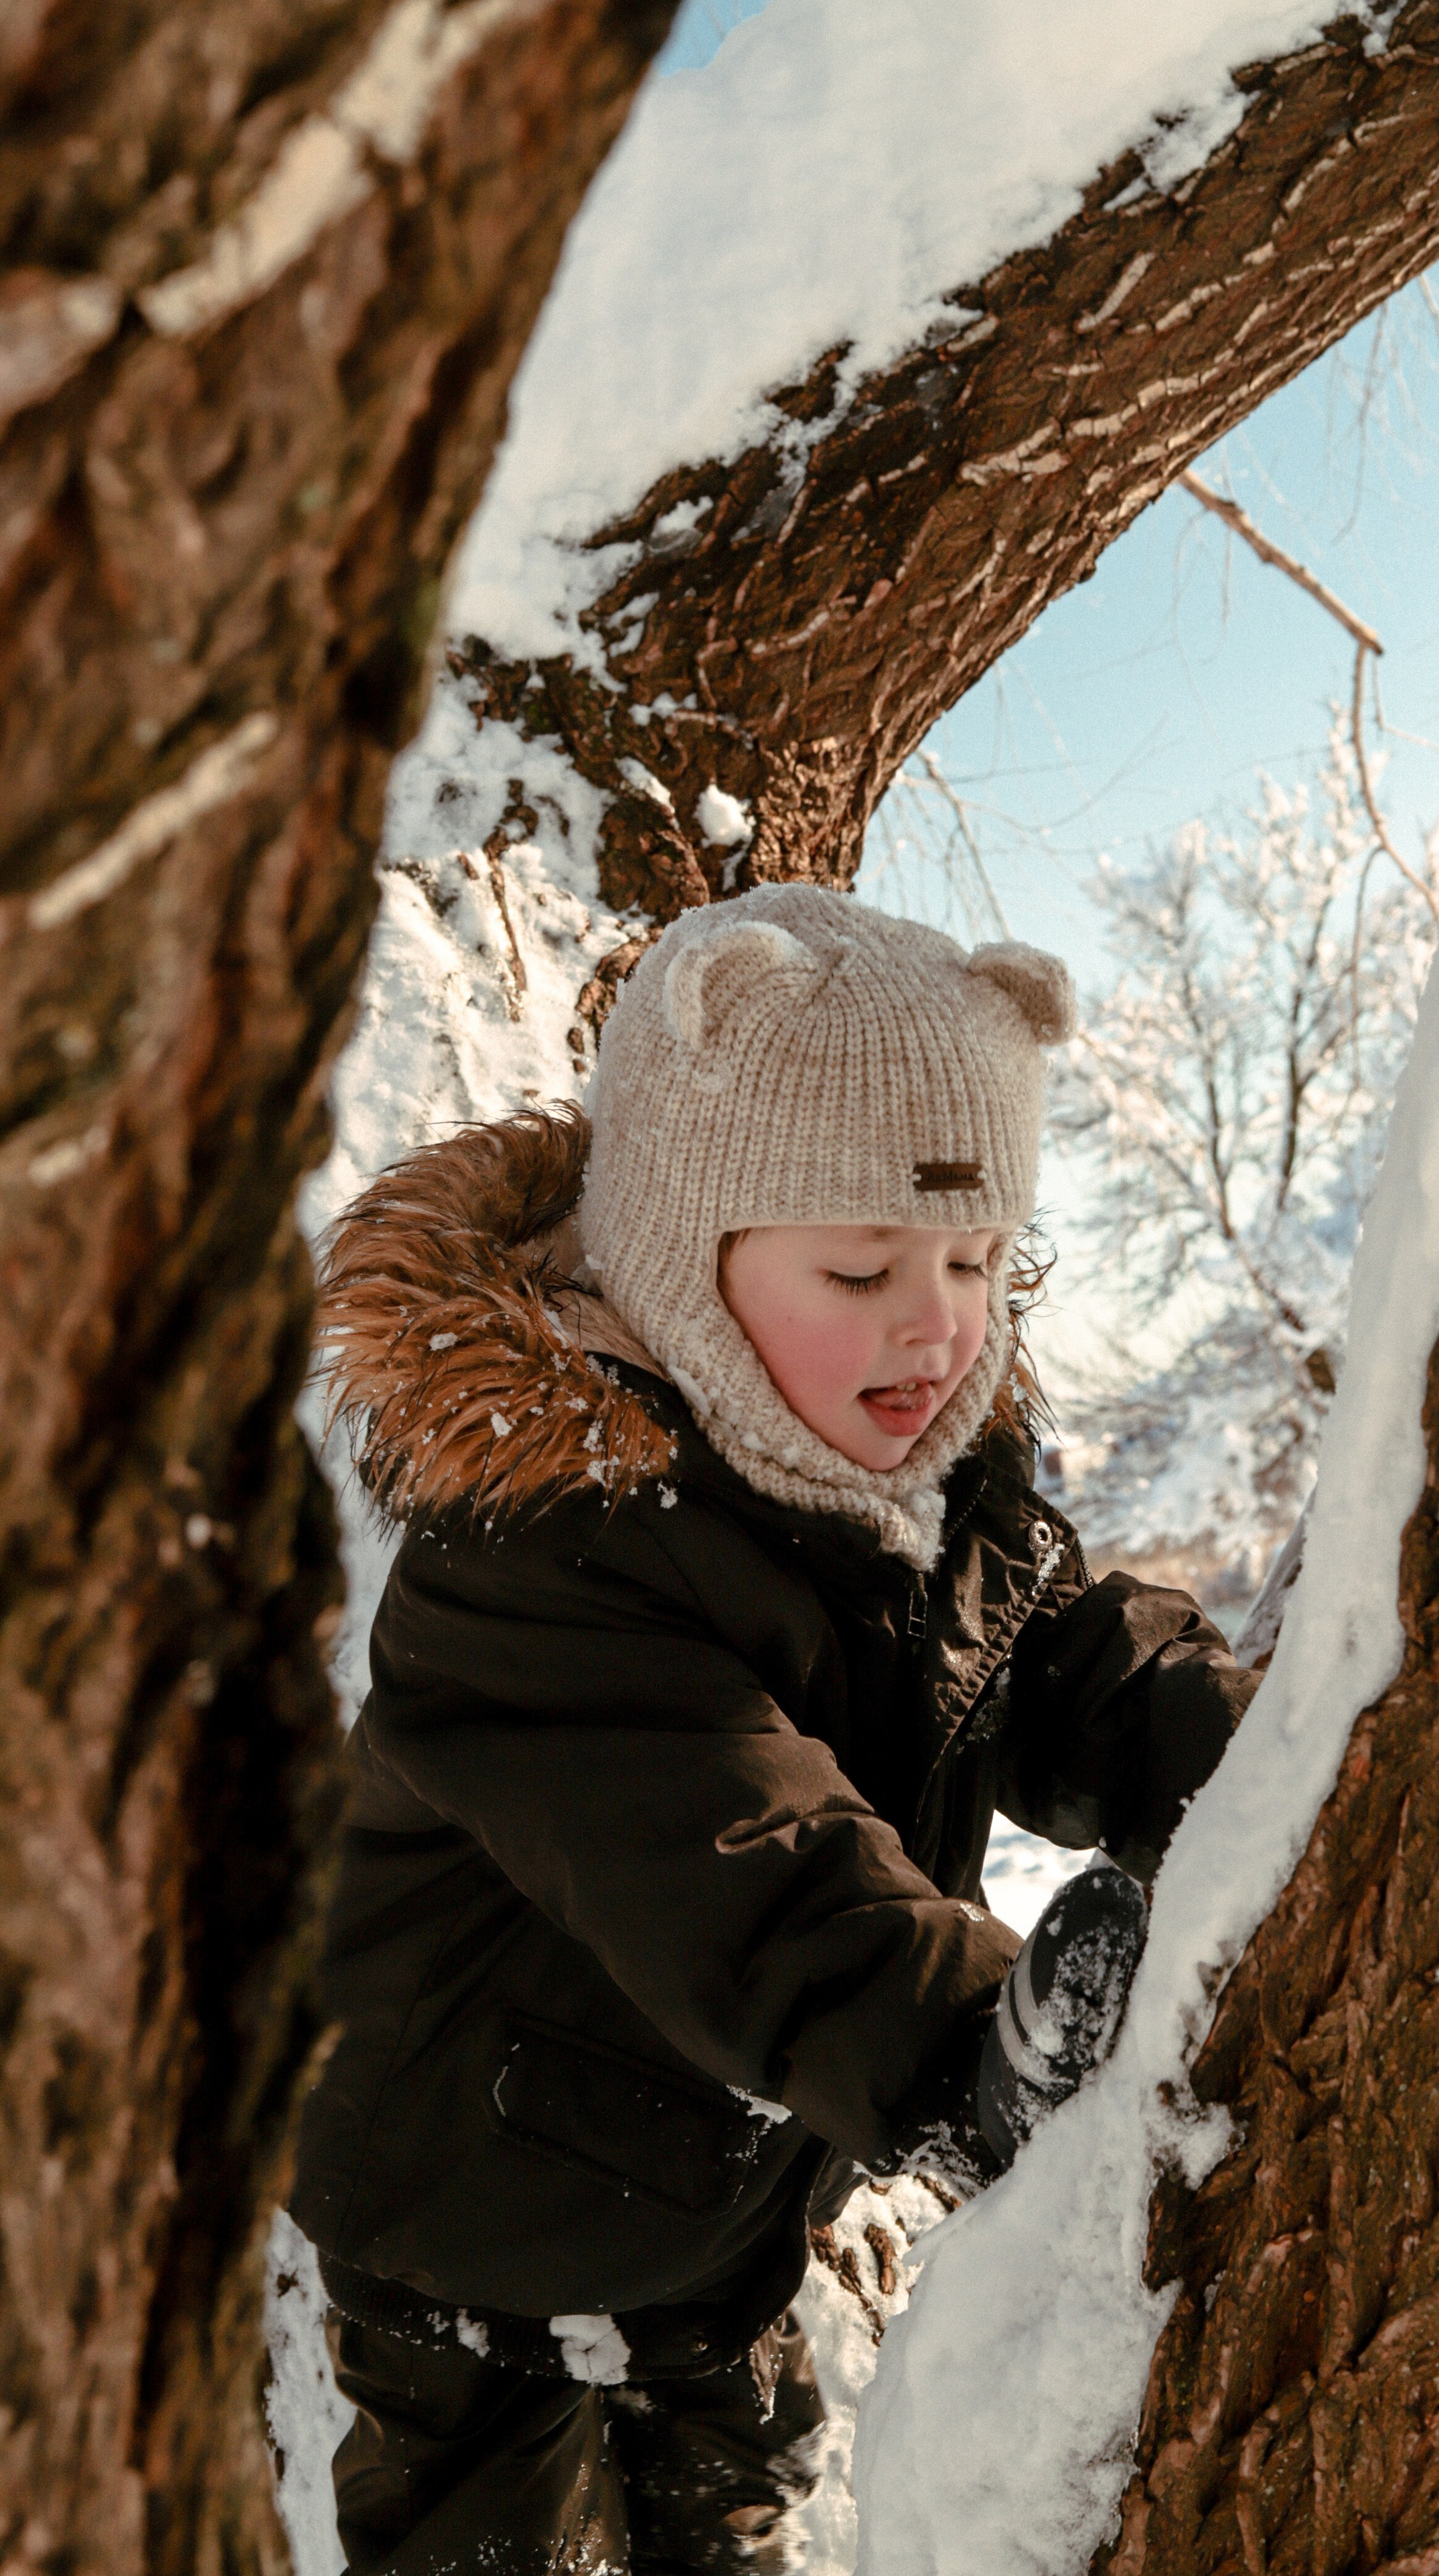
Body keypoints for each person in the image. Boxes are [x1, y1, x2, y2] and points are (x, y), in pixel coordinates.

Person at [291, 885, 1258, 2575]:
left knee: (722, 2530)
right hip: (463, 2230)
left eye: (970, 1257)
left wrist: (1258, 1754)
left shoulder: (920, 1494)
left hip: (718, 2205)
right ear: (681, 1246)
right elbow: (743, 1855)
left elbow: (1066, 1662)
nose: (935, 1317)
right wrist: (972, 2057)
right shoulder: (535, 1549)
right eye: (861, 1264)